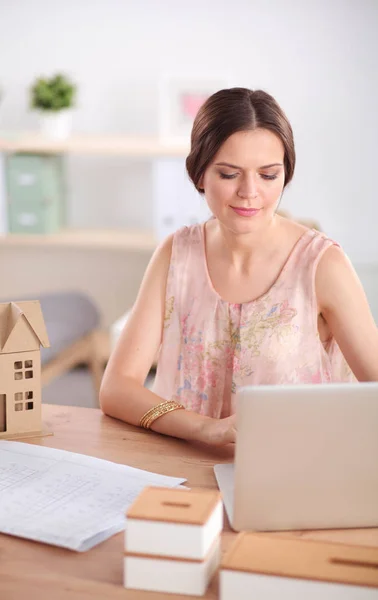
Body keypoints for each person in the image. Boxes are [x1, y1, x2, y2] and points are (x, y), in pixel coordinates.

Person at [100, 87, 378, 446]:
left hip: (295, 471)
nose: (250, 192)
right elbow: (116, 388)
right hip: (182, 462)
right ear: (200, 175)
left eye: (268, 175)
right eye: (230, 174)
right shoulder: (176, 254)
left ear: (285, 175)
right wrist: (206, 429)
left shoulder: (322, 264)